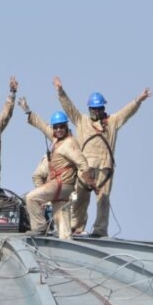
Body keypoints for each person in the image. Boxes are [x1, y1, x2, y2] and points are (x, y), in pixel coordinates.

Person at [54, 77, 152, 237]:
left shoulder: (112, 122)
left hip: (104, 169)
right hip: (85, 169)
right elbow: (69, 108)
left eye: (99, 108)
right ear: (90, 109)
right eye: (94, 109)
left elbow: (126, 112)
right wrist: (60, 91)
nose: (97, 111)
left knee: (103, 200)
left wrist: (138, 100)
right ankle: (76, 227)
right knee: (79, 199)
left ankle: (100, 230)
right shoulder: (82, 120)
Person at [17, 98, 94, 238]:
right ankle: (66, 241)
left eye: (61, 127)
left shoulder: (69, 143)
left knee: (31, 198)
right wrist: (28, 111)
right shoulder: (57, 139)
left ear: (66, 127)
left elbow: (82, 162)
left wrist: (89, 180)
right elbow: (43, 126)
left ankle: (40, 228)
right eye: (56, 127)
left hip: (61, 184)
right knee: (63, 227)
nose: (58, 130)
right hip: (62, 189)